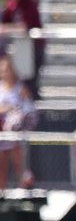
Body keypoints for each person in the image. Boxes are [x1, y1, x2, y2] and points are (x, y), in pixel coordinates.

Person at [1, 0, 45, 99]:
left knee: (31, 79)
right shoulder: (11, 5)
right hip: (20, 51)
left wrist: (7, 28)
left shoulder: (29, 5)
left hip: (34, 48)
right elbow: (5, 22)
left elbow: (24, 27)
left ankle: (33, 104)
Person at [0, 52, 37, 188]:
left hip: (16, 134)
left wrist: (14, 112)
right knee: (1, 166)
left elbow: (27, 107)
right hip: (1, 133)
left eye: (7, 69)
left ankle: (23, 192)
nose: (5, 73)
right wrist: (6, 109)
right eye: (2, 70)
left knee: (19, 165)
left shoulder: (20, 88)